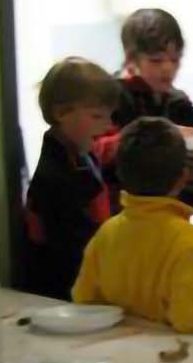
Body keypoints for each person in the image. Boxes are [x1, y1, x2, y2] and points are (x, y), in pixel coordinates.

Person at [74, 118, 193, 334]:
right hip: (169, 352)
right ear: (183, 177)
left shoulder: (107, 231)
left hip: (115, 349)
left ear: (120, 174)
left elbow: (84, 298)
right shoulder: (187, 240)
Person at [92, 7, 193, 212]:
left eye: (175, 59)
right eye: (156, 60)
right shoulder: (110, 98)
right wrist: (159, 136)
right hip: (123, 217)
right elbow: (93, 152)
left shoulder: (178, 102)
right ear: (131, 59)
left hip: (168, 217)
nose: (168, 68)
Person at [23, 56, 120, 300]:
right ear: (61, 113)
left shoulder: (82, 155)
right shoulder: (55, 177)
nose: (108, 125)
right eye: (97, 116)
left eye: (108, 116)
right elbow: (71, 248)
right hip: (62, 292)